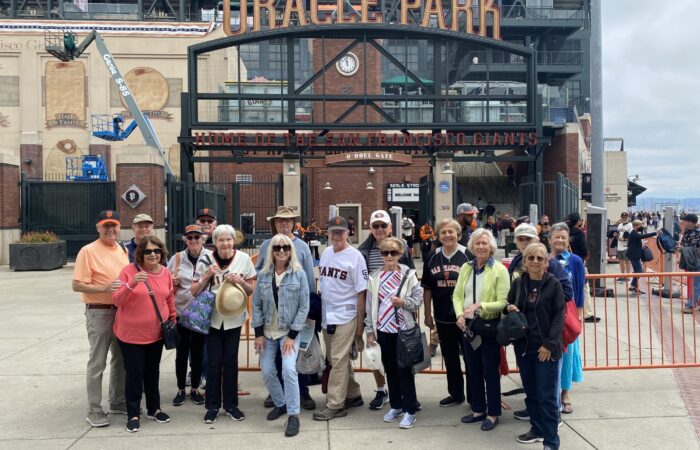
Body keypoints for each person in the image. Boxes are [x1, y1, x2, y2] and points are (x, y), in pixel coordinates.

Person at [191, 224, 256, 424]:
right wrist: (207, 275)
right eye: (221, 240)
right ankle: (211, 406)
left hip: (234, 317)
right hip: (212, 318)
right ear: (215, 242)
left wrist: (241, 282)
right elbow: (194, 290)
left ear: (233, 240)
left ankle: (230, 405)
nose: (225, 243)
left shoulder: (243, 259)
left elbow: (251, 288)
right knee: (213, 363)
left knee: (230, 362)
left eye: (229, 239)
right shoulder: (206, 259)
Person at [112, 235, 175, 433]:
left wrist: (172, 319)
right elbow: (116, 300)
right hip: (130, 335)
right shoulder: (128, 271)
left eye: (156, 251)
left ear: (162, 253)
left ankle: (154, 409)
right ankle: (133, 413)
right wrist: (131, 284)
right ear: (140, 253)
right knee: (134, 374)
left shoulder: (165, 273)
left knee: (152, 372)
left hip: (156, 333)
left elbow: (169, 298)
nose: (153, 255)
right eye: (148, 251)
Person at [256, 206, 316, 411]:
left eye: (287, 221)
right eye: (280, 221)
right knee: (273, 362)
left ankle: (303, 392)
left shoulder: (303, 247)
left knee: (298, 356)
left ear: (293, 223)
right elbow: (260, 274)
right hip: (272, 316)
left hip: (296, 311)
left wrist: (309, 312)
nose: (284, 224)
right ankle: (278, 395)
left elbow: (308, 279)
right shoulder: (266, 245)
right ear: (275, 223)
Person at [72, 210, 129, 428]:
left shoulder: (122, 249)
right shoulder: (88, 251)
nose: (110, 229)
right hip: (99, 311)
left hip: (121, 311)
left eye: (113, 225)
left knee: (120, 359)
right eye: (106, 225)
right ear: (98, 227)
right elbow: (77, 284)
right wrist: (104, 288)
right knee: (97, 361)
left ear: (118, 227)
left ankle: (117, 401)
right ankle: (94, 410)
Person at [507, 243, 565, 450]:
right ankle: (537, 429)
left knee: (547, 397)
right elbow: (508, 305)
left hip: (546, 350)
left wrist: (549, 345)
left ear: (546, 262)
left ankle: (551, 441)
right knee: (531, 393)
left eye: (540, 258)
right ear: (524, 261)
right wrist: (510, 308)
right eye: (531, 258)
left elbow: (560, 316)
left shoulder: (553, 284)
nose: (535, 262)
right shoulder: (519, 283)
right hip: (524, 347)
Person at [252, 234, 310, 437]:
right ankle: (281, 403)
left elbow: (304, 306)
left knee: (288, 370)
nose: (282, 251)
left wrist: (293, 335)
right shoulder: (264, 275)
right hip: (267, 332)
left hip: (289, 333)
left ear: (291, 250)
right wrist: (258, 334)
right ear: (272, 251)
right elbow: (256, 305)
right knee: (267, 370)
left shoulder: (298, 274)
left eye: (285, 247)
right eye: (277, 248)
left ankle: (293, 415)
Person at [453, 229, 509, 431]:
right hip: (469, 327)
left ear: (491, 246)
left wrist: (480, 306)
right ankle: (478, 409)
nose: (480, 247)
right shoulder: (466, 268)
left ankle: (493, 413)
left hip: (489, 327)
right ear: (472, 246)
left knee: (490, 372)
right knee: (473, 369)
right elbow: (458, 295)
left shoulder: (499, 270)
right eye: (477, 243)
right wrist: (459, 314)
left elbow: (503, 302)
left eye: (484, 243)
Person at [358, 210, 414, 410]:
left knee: (404, 356)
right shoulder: (363, 250)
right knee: (378, 354)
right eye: (376, 226)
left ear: (390, 227)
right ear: (371, 229)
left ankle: (406, 394)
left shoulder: (402, 247)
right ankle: (382, 390)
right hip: (377, 312)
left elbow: (411, 276)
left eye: (384, 225)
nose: (380, 229)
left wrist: (409, 305)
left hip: (401, 312)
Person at [365, 237, 423, 429]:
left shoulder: (409, 274)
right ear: (381, 254)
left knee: (404, 370)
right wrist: (370, 331)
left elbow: (418, 299)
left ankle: (410, 410)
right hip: (383, 329)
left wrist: (403, 303)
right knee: (390, 369)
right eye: (385, 252)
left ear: (400, 254)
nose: (389, 256)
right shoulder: (375, 277)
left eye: (393, 253)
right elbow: (369, 306)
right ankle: (396, 404)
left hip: (403, 329)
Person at [313, 216, 368, 421]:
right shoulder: (326, 252)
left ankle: (336, 404)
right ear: (327, 233)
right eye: (333, 231)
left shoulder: (355, 257)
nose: (336, 235)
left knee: (337, 359)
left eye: (340, 232)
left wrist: (360, 325)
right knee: (336, 358)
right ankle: (353, 394)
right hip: (328, 315)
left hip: (347, 314)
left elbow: (362, 292)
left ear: (348, 233)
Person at [422, 218, 472, 408]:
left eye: (451, 232)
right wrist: (427, 313)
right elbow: (427, 287)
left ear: (458, 234)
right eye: (443, 232)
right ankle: (456, 393)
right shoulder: (432, 256)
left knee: (469, 357)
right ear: (437, 235)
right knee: (450, 358)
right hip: (442, 316)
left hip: (465, 318)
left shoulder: (467, 254)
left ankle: (474, 396)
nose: (448, 235)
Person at [167, 224, 212, 407]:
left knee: (198, 353)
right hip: (181, 313)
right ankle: (180, 390)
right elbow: (164, 281)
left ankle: (194, 389)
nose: (193, 240)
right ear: (185, 239)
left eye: (197, 237)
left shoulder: (210, 258)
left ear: (203, 239)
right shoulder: (177, 258)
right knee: (182, 353)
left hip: (201, 314)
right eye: (190, 237)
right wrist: (172, 282)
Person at [549, 223, 585, 415]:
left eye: (564, 237)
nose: (560, 240)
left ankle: (565, 394)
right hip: (548, 316)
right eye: (557, 237)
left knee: (568, 355)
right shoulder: (543, 258)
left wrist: (579, 314)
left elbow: (579, 289)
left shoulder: (575, 261)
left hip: (568, 314)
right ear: (549, 239)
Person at [564, 213, 598, 323]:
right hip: (578, 263)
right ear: (578, 221)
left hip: (565, 263)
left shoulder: (564, 232)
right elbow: (583, 249)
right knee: (584, 287)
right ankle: (587, 314)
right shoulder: (579, 233)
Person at [626, 220, 660, 295]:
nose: (642, 227)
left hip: (635, 255)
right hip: (634, 255)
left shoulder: (635, 233)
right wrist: (655, 233)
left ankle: (634, 286)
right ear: (635, 226)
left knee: (637, 271)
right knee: (638, 271)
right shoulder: (634, 233)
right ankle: (633, 286)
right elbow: (643, 236)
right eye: (640, 225)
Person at [680, 214, 700, 314]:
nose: (683, 222)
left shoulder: (698, 233)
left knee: (696, 284)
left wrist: (685, 250)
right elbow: (683, 244)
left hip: (698, 261)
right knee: (696, 283)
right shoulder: (686, 232)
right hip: (691, 261)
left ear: (691, 222)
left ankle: (691, 306)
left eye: (685, 221)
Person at [615, 212, 633, 282]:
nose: (624, 218)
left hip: (626, 246)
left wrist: (625, 239)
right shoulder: (619, 225)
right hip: (619, 245)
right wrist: (616, 235)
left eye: (625, 217)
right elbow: (618, 233)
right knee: (621, 261)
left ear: (627, 217)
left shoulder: (630, 225)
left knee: (627, 261)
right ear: (621, 217)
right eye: (623, 217)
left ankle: (627, 276)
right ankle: (622, 275)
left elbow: (631, 236)